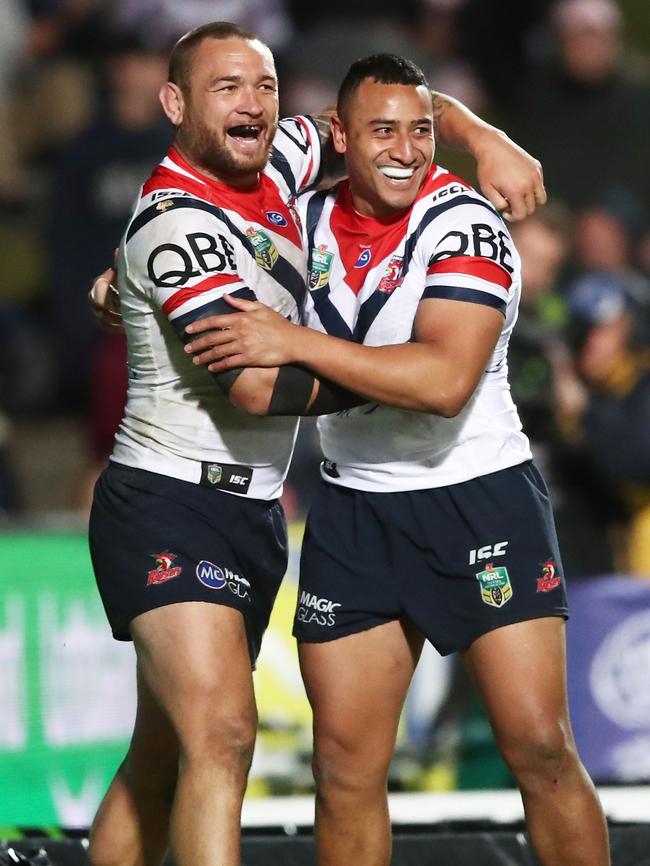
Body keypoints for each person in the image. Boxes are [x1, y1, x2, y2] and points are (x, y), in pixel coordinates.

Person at [87, 22, 547, 866]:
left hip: (253, 509)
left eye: (262, 86)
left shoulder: (282, 160)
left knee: (164, 756)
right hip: (169, 501)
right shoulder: (179, 226)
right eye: (226, 88)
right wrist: (417, 379)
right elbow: (262, 388)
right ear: (174, 104)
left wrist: (487, 141)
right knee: (223, 733)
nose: (253, 105)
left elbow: (393, 110)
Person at [183, 54, 611, 866]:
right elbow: (195, 224)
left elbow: (443, 382)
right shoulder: (295, 218)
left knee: (541, 751)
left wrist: (292, 341)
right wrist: (126, 277)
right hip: (355, 511)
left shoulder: (467, 225)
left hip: (480, 500)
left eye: (422, 132)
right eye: (382, 131)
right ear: (338, 137)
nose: (407, 149)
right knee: (343, 769)